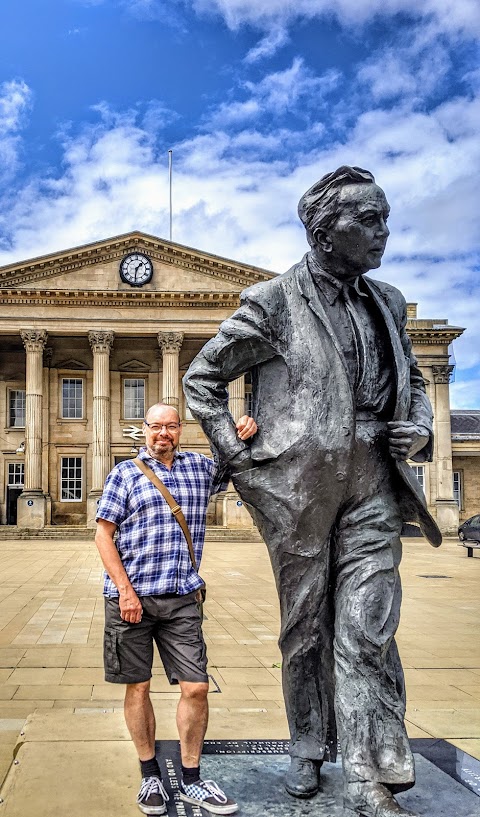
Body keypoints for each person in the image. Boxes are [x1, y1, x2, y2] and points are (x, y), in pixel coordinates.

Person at [183, 166, 442, 817]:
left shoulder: (385, 298)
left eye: (384, 216)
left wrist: (420, 421)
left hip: (375, 490)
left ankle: (368, 771)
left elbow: (412, 376)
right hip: (297, 492)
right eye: (371, 219)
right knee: (304, 629)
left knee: (367, 627)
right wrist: (238, 453)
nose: (384, 230)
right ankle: (306, 744)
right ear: (326, 232)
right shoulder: (274, 300)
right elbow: (203, 376)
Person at [95, 402, 257, 816]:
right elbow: (103, 537)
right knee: (139, 686)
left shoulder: (200, 469)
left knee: (196, 687)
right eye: (155, 426)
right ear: (143, 430)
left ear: (180, 430)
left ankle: (190, 780)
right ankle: (150, 773)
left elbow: (236, 461)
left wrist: (245, 431)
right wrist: (125, 592)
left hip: (182, 597)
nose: (162, 433)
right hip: (130, 599)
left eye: (170, 426)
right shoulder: (125, 474)